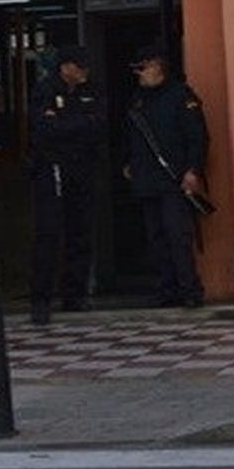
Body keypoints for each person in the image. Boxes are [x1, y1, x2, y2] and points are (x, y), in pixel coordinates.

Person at [124, 43, 207, 308]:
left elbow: (198, 137)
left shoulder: (181, 96)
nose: (139, 74)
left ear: (158, 66)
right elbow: (132, 138)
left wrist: (193, 170)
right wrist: (129, 163)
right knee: (156, 238)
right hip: (147, 179)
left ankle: (190, 291)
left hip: (175, 179)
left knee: (178, 236)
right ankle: (167, 289)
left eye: (143, 68)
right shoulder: (137, 99)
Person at [28, 44, 106, 323]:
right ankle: (41, 298)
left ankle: (75, 294)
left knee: (81, 232)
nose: (85, 72)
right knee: (49, 233)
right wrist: (78, 124)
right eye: (80, 67)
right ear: (66, 67)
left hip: (82, 169)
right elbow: (45, 129)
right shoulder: (45, 90)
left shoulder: (90, 91)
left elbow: (99, 124)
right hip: (52, 168)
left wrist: (69, 124)